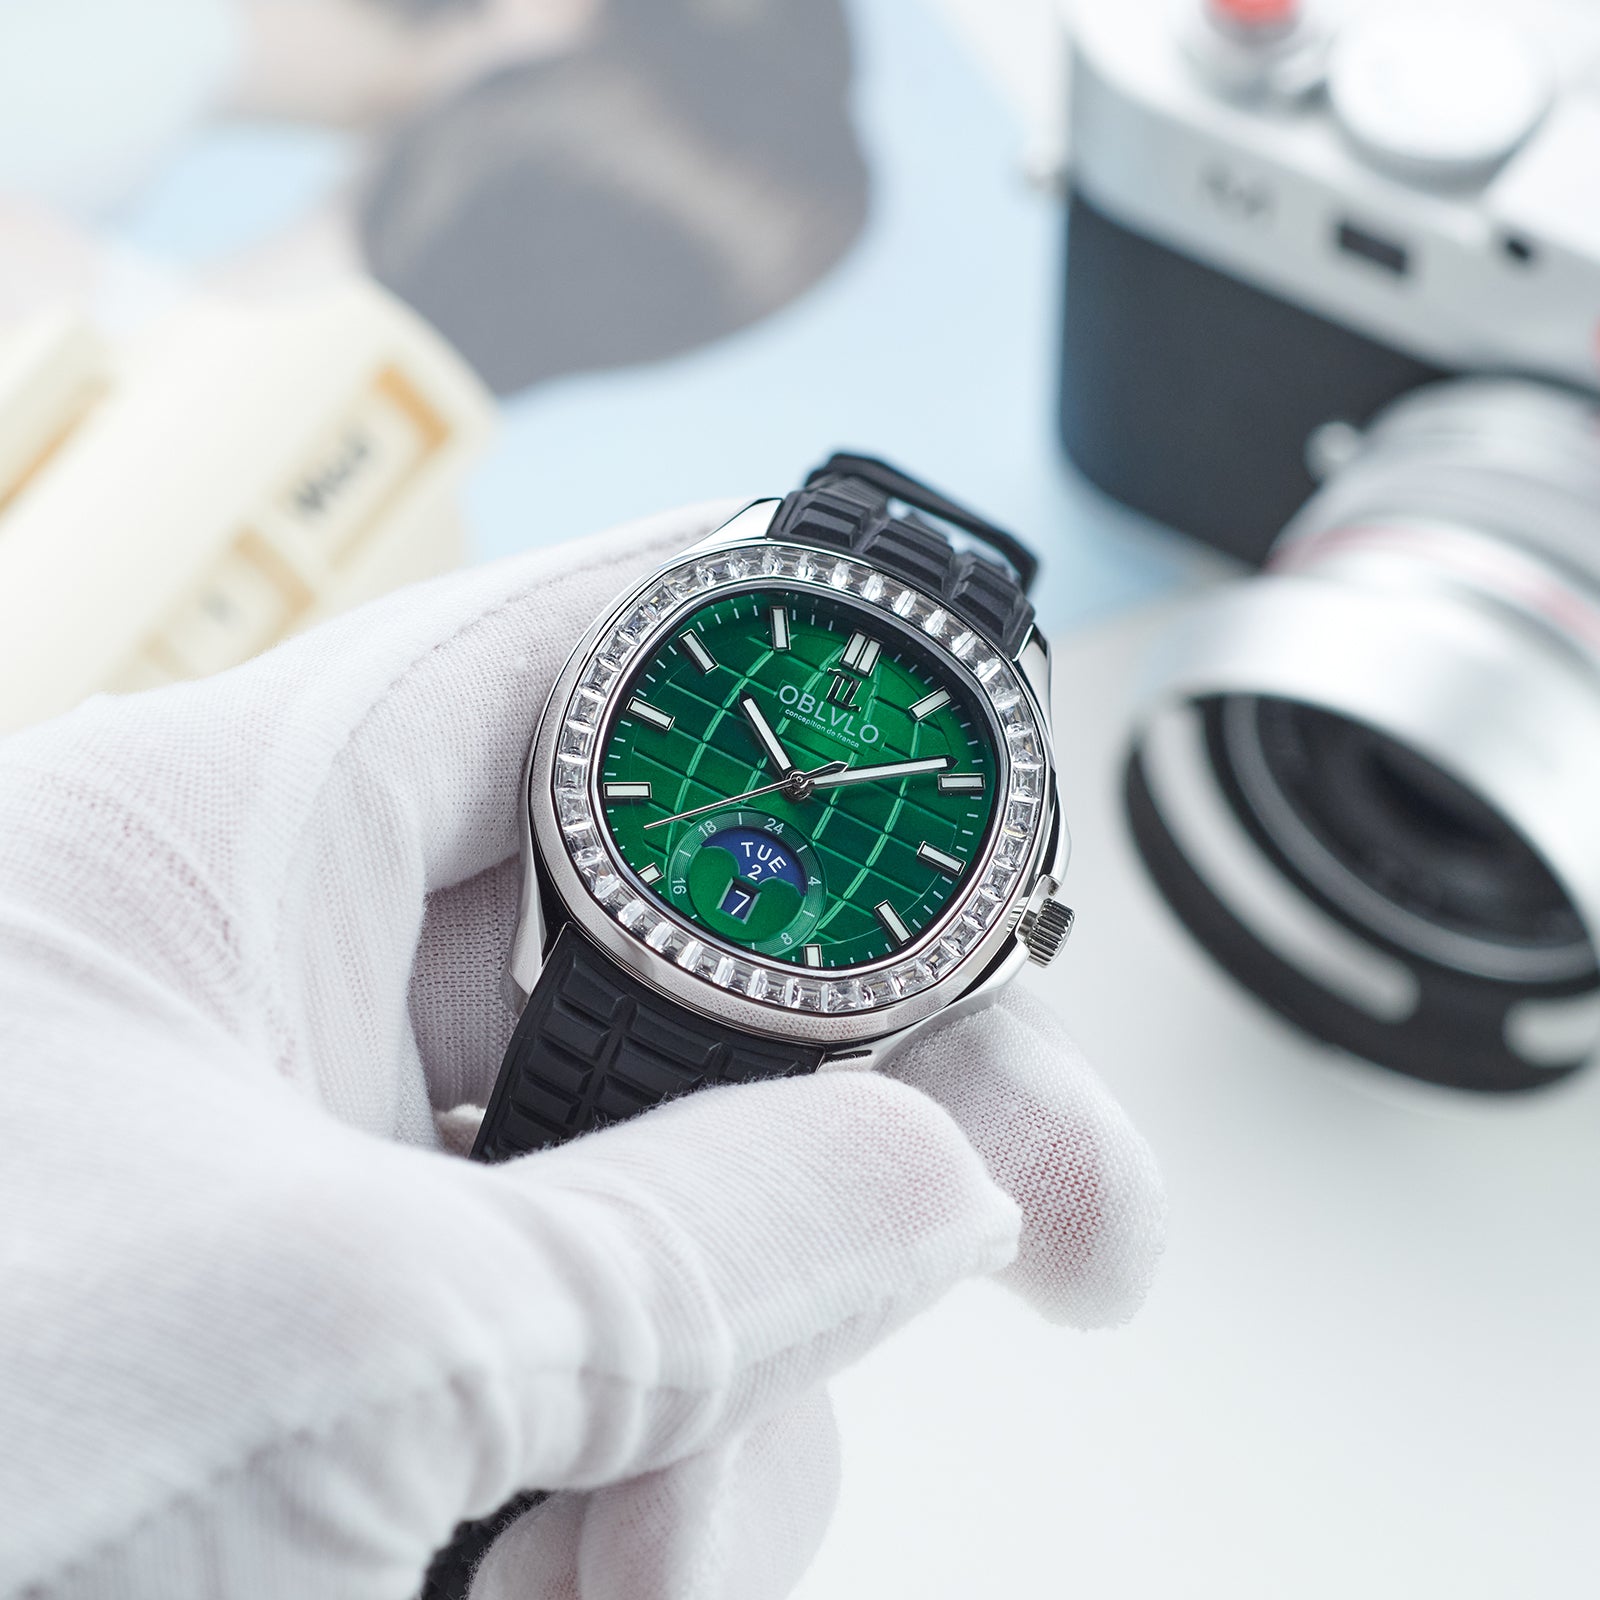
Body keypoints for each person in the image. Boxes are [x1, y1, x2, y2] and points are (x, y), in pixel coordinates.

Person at [0, 502, 1165, 1599]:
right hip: (594, 932)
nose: (796, 787)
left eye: (827, 793)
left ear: (1019, 915)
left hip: (724, 974)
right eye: (774, 764)